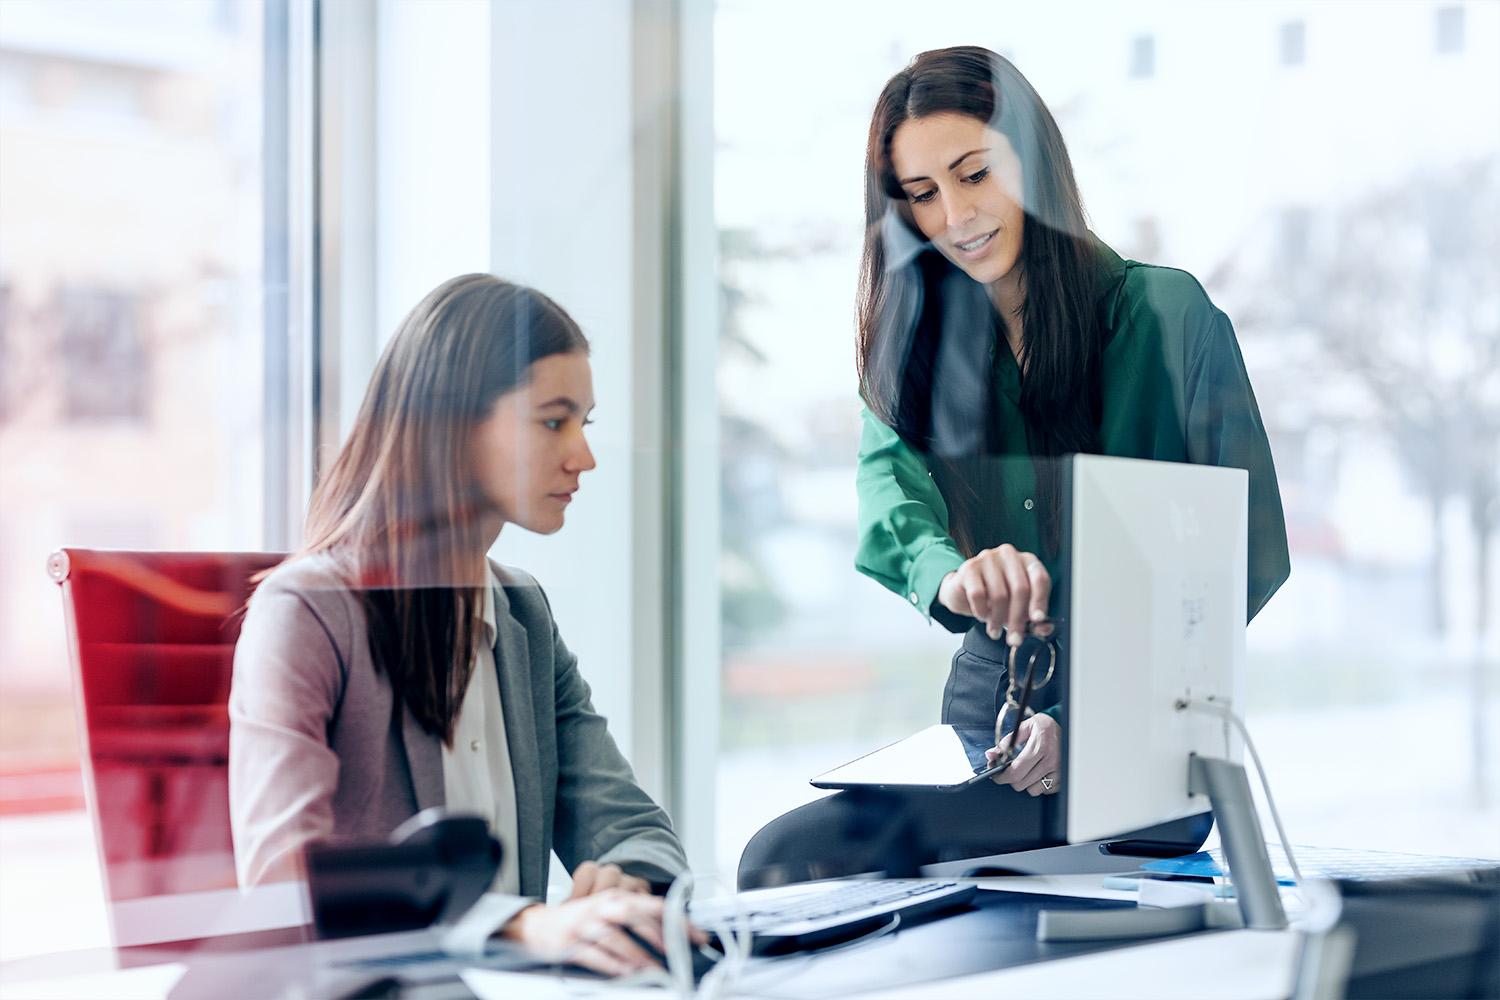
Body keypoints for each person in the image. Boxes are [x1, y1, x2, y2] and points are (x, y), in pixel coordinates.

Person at [738, 46, 1289, 887]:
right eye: (923, 195)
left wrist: (1093, 721)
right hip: (989, 715)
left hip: (1144, 738)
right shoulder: (918, 347)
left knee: (784, 860)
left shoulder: (1165, 316)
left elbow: (1246, 559)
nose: (956, 215)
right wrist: (953, 576)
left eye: (975, 175)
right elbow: (891, 495)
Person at [230, 274, 691, 977]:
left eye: (584, 424)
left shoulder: (522, 614)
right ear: (449, 420)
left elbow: (631, 823)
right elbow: (285, 887)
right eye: (552, 420)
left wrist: (623, 880)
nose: (583, 455)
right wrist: (521, 927)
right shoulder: (307, 614)